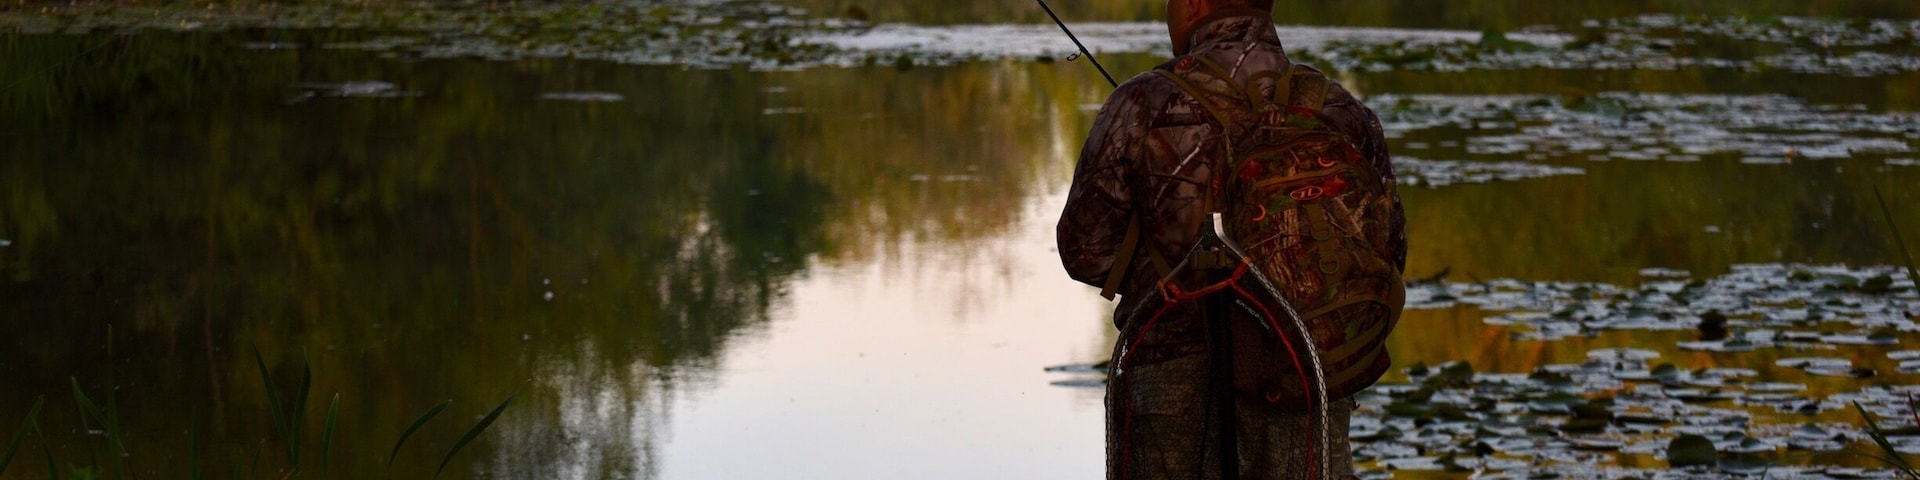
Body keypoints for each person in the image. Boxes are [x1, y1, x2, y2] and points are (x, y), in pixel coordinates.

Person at [1055, 0, 1407, 479]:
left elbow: (1085, 251)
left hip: (1173, 382)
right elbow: (1389, 250)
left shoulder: (1142, 103)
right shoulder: (1340, 109)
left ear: (1195, 4)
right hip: (1304, 376)